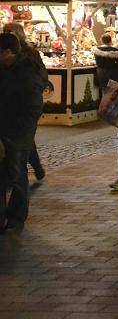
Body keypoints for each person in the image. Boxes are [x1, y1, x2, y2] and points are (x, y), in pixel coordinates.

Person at [0, 33, 45, 233]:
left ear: (7, 52)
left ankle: (17, 217)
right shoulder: (5, 69)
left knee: (17, 174)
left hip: (19, 132)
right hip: (4, 129)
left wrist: (18, 131)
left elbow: (33, 108)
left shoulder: (27, 72)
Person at [3, 23, 47, 183]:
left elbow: (41, 76)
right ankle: (35, 168)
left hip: (25, 107)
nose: (7, 33)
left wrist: (35, 91)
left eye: (10, 31)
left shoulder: (29, 54)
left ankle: (27, 175)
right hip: (10, 111)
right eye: (6, 31)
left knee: (23, 142)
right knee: (26, 142)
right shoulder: (4, 56)